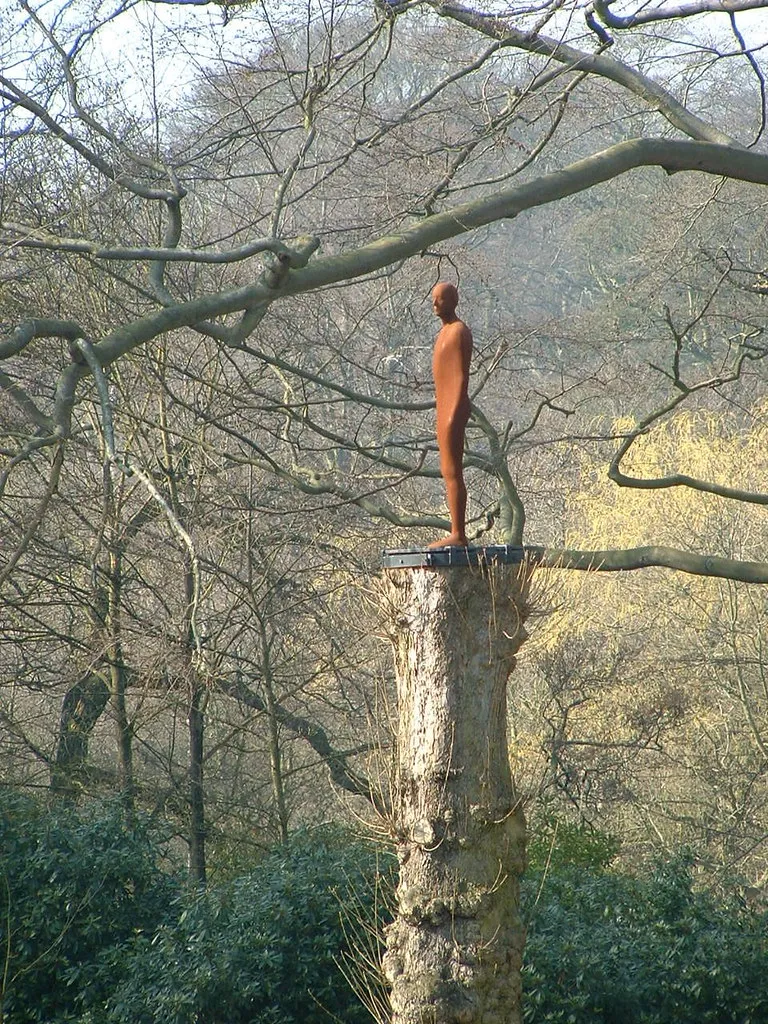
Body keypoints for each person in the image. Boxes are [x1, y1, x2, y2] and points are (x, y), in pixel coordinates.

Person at [428, 282, 473, 549]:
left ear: (452, 301)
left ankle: (458, 533)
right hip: (444, 407)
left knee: (453, 469)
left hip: (452, 409)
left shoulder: (458, 332)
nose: (434, 304)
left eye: (440, 299)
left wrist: (453, 414)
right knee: (447, 469)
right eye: (433, 299)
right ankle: (456, 530)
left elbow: (459, 378)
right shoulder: (444, 332)